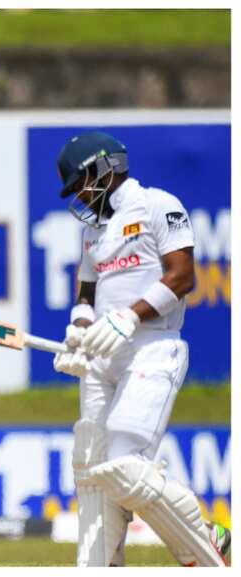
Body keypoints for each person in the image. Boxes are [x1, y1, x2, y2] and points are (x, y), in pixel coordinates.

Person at [51, 131, 230, 567]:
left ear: (104, 168)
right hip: (102, 358)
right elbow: (86, 294)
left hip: (152, 349)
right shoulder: (93, 231)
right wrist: (79, 330)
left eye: (81, 184)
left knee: (124, 465)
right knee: (91, 468)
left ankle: (208, 544)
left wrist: (128, 317)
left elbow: (183, 277)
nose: (79, 195)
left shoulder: (157, 205)